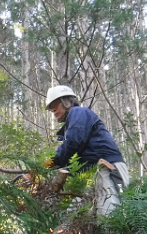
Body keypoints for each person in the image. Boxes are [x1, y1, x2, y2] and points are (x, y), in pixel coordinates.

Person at [45, 85, 130, 216]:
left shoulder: (79, 112)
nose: (53, 110)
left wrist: (51, 162)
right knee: (75, 219)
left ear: (67, 102)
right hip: (89, 174)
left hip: (106, 168)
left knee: (110, 218)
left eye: (55, 105)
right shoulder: (70, 126)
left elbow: (73, 142)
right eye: (51, 109)